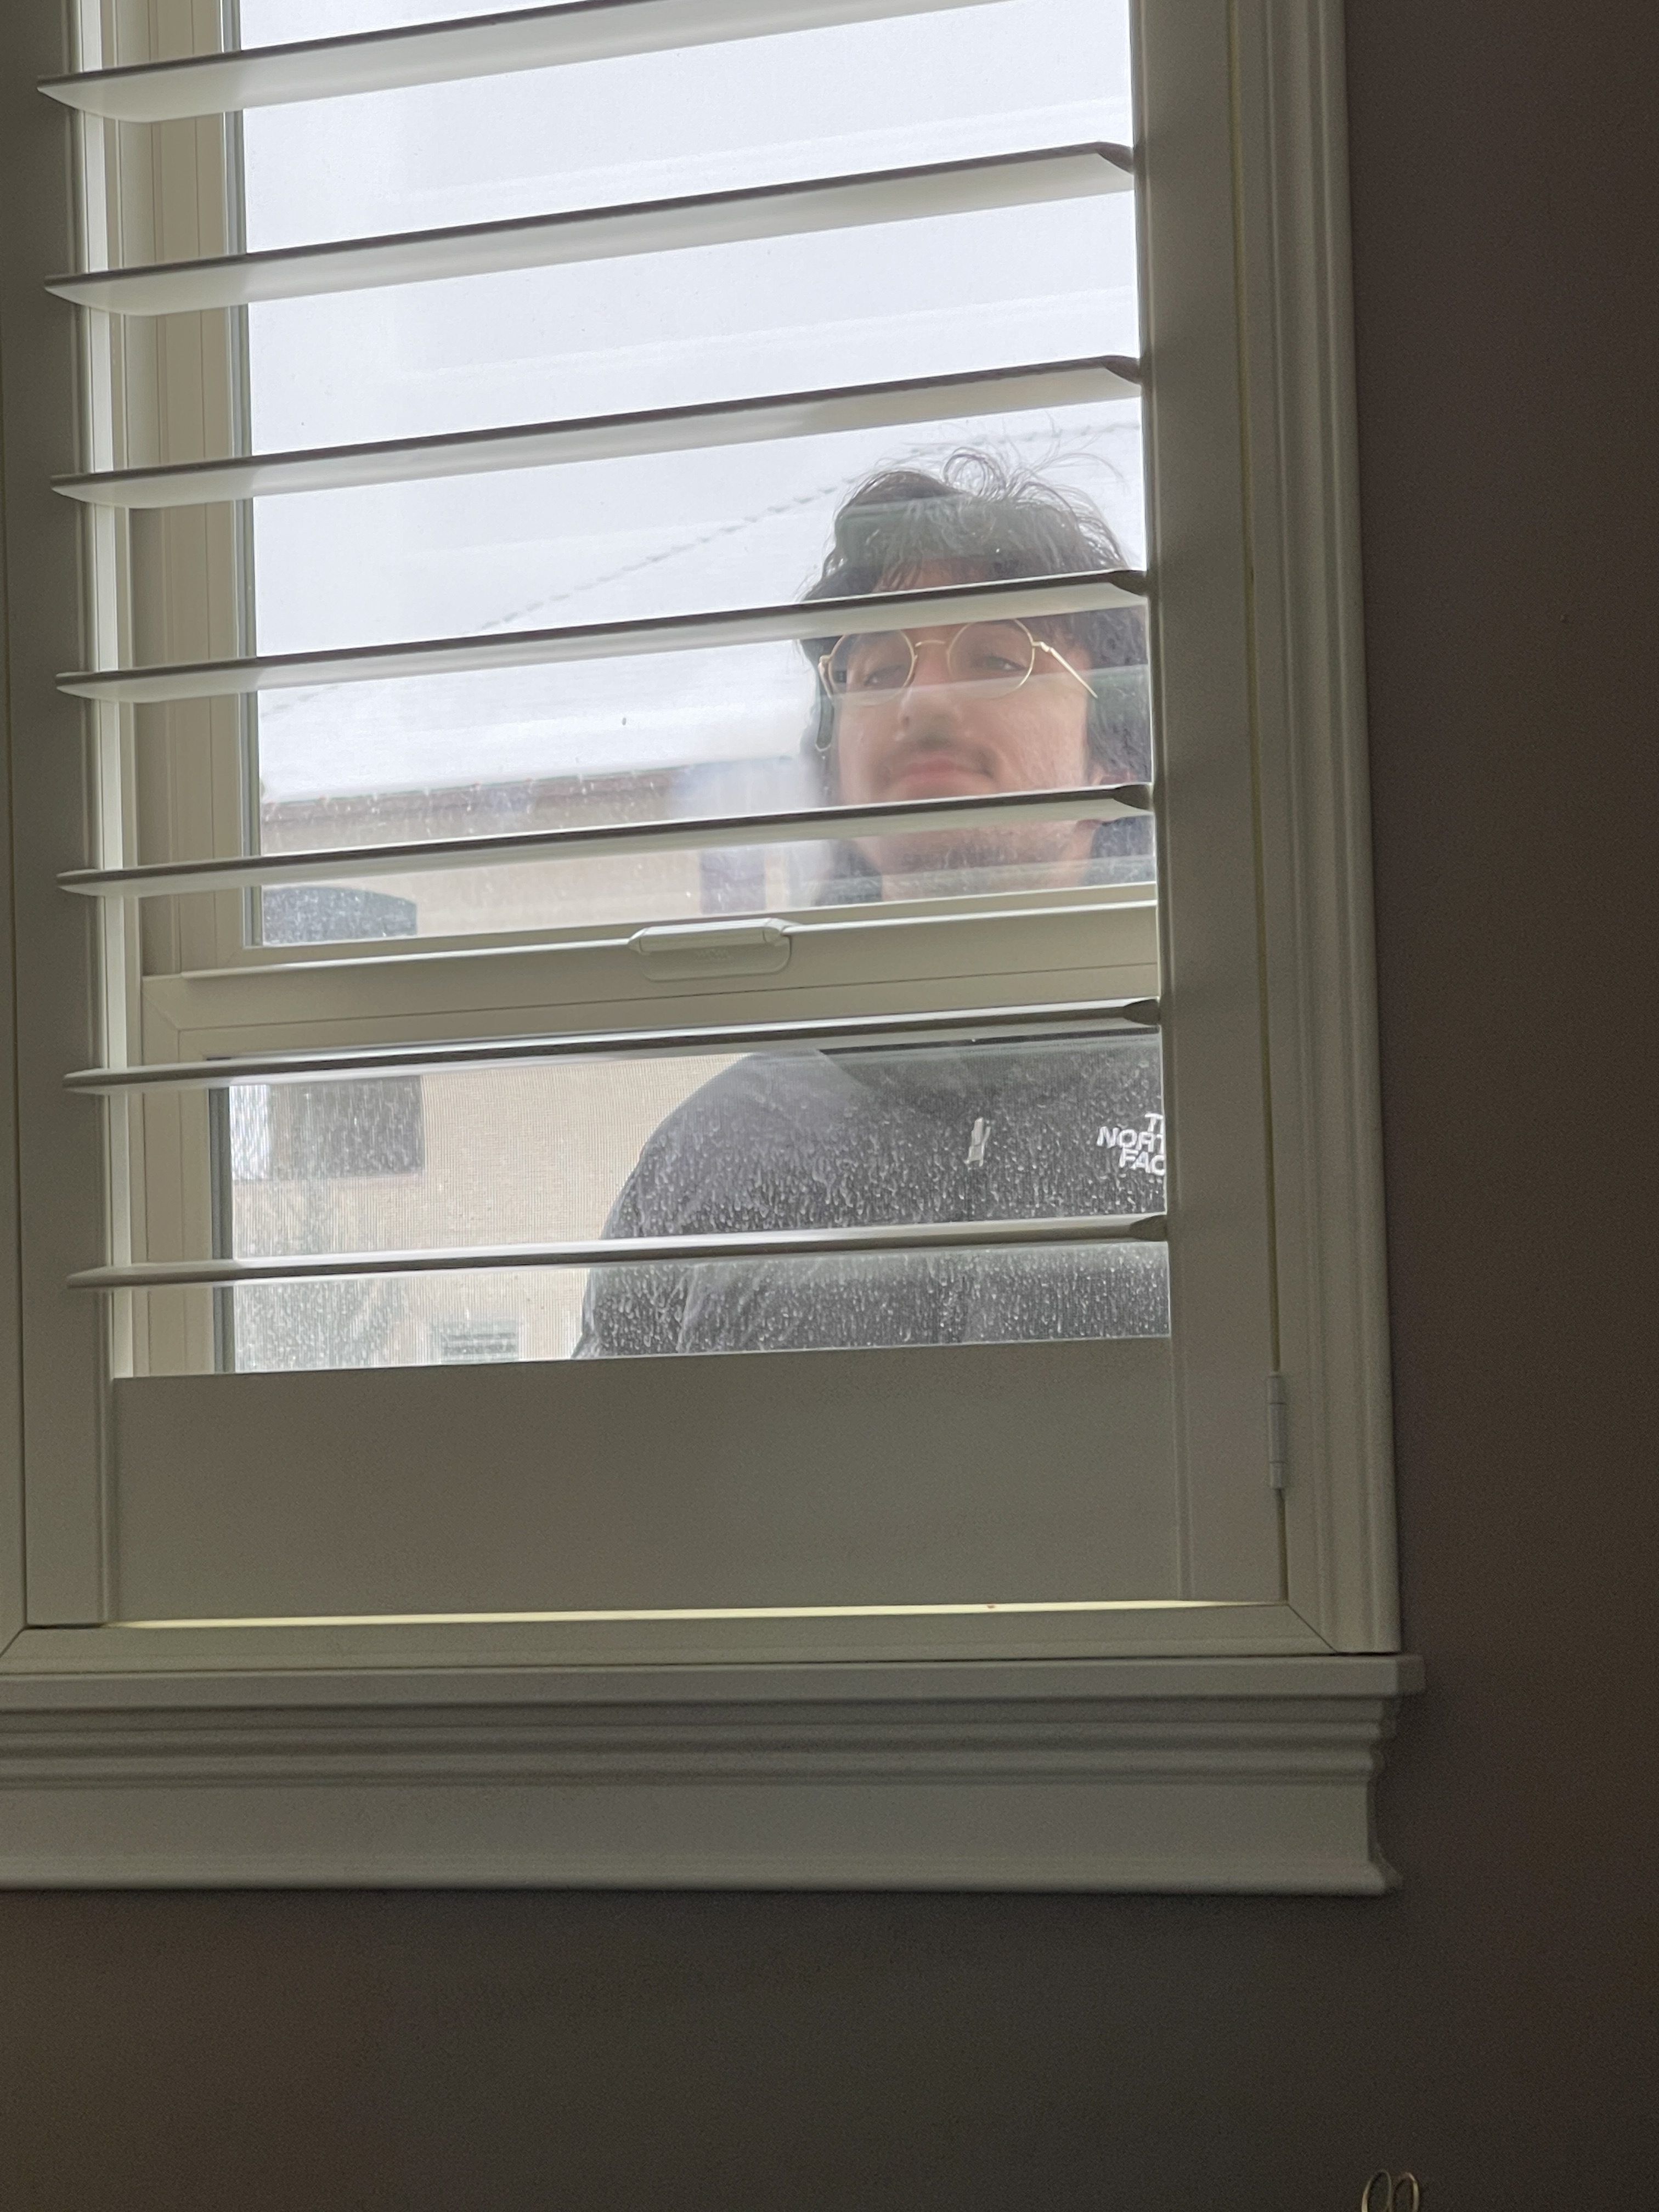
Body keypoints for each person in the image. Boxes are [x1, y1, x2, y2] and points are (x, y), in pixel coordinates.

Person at [574, 452, 1167, 1358]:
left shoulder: (1226, 1110)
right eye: (879, 672)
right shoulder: (711, 1155)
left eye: (997, 659)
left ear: (1112, 762)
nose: (922, 702)